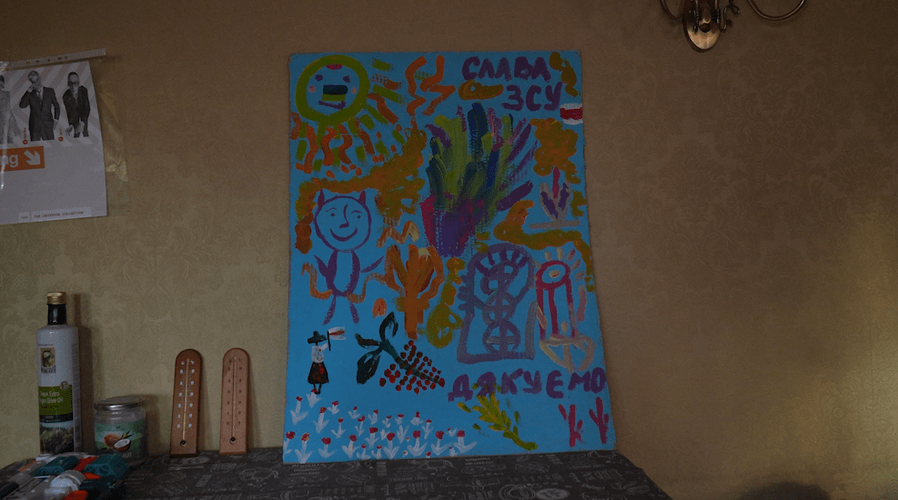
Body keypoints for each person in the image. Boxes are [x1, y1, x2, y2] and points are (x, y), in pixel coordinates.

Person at [18, 70, 59, 141]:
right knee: (35, 147)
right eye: (33, 82)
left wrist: (56, 120)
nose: (36, 83)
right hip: (34, 127)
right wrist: (28, 91)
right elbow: (22, 105)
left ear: (40, 78)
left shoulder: (50, 91)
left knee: (52, 146)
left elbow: (57, 106)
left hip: (47, 125)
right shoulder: (30, 94)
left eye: (37, 80)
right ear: (31, 82)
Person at [63, 72, 90, 138]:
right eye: (71, 83)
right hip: (75, 115)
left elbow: (86, 108)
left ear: (79, 83)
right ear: (68, 84)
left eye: (75, 83)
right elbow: (69, 112)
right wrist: (71, 124)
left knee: (85, 132)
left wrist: (82, 123)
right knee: (76, 134)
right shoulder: (65, 96)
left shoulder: (84, 91)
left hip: (83, 113)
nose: (73, 86)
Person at [0, 75, 21, 143]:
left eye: (1, 85)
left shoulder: (7, 93)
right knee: (1, 142)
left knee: (10, 142)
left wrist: (15, 124)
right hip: (1, 121)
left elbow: (9, 109)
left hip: (9, 120)